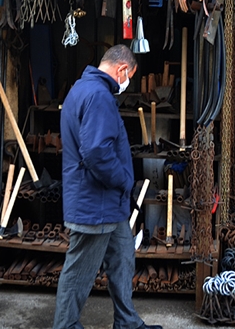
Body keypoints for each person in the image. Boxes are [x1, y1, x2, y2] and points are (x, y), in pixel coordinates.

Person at [54, 45, 161, 329]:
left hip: (108, 206)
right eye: (129, 76)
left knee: (123, 258)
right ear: (122, 69)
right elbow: (97, 153)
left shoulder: (81, 89)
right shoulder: (99, 96)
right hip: (96, 205)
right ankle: (65, 326)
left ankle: (127, 322)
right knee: (79, 272)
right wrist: (125, 181)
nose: (127, 83)